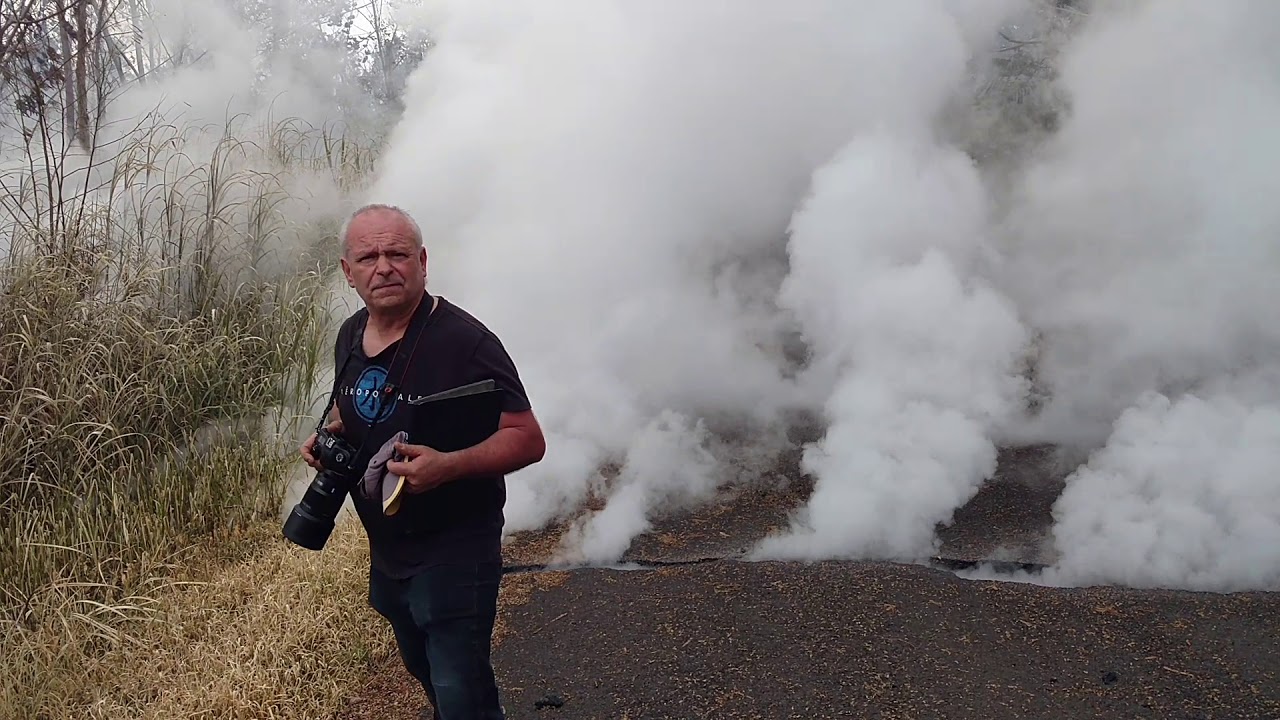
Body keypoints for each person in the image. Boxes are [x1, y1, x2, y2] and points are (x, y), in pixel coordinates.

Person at [300, 203, 546, 720]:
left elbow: (527, 438)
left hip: (458, 542)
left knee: (461, 691)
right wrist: (329, 436)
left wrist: (448, 465)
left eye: (397, 253)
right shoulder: (350, 336)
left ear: (422, 261)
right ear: (348, 272)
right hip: (389, 546)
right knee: (425, 669)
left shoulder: (465, 341)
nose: (384, 267)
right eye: (368, 257)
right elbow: (355, 405)